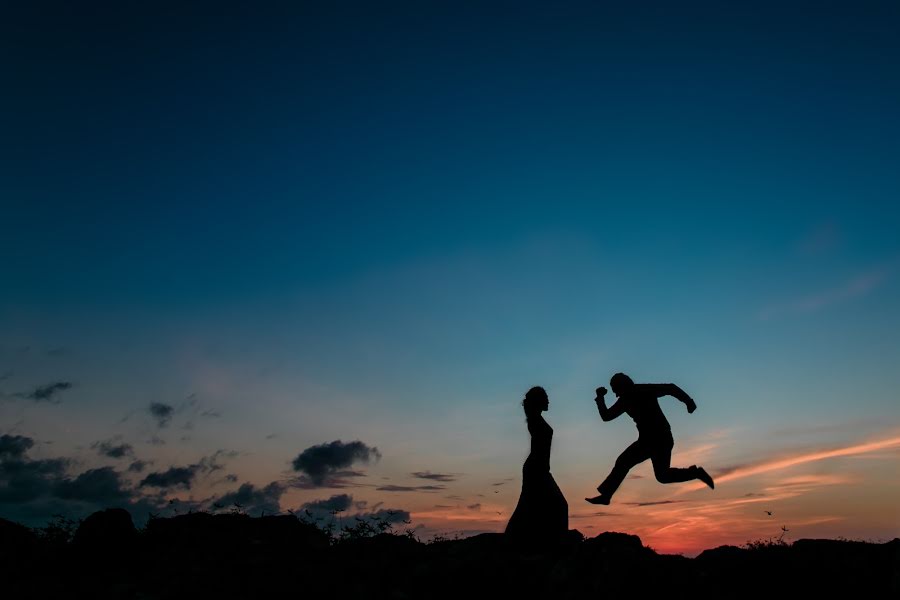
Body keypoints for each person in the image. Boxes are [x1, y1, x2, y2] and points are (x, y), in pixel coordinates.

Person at [586, 372, 715, 505]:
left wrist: (689, 401)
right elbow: (607, 417)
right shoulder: (625, 399)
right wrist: (600, 398)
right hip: (652, 440)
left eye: (616, 390)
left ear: (622, 386)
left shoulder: (642, 390)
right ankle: (695, 473)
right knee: (661, 475)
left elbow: (670, 388)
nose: (616, 394)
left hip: (658, 439)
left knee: (625, 462)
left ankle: (606, 495)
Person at [505, 386, 568, 543]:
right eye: (545, 398)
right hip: (536, 468)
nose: (548, 401)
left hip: (539, 468)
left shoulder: (536, 417)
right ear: (538, 401)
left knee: (530, 505)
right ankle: (558, 542)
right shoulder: (534, 418)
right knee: (558, 505)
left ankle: (519, 538)